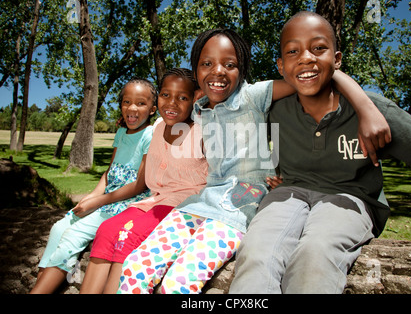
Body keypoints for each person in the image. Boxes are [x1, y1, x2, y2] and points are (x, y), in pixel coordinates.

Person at [117, 28, 392, 294]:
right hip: (202, 202)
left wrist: (365, 106)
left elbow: (308, 78)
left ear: (243, 70)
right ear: (196, 70)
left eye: (230, 64)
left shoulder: (254, 95)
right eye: (207, 64)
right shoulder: (200, 107)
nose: (218, 71)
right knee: (134, 268)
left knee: (177, 283)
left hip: (239, 209)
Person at [229, 11, 411, 294]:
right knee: (257, 250)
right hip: (290, 194)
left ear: (337, 58)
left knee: (316, 251)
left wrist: (364, 106)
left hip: (350, 198)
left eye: (318, 48)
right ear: (281, 66)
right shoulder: (277, 110)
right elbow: (241, 136)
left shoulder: (371, 110)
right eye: (293, 51)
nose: (306, 57)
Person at [79, 68, 208, 294]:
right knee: (108, 229)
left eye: (183, 97)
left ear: (196, 98)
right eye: (166, 95)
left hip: (184, 206)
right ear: (157, 97)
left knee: (128, 236)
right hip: (154, 200)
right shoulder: (157, 126)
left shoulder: (203, 131)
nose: (172, 103)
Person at [30, 78, 157, 294]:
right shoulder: (121, 133)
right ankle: (42, 286)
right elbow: (110, 172)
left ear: (153, 109)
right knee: (59, 227)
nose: (132, 108)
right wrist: (91, 197)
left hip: (125, 204)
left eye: (141, 103)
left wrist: (99, 201)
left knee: (73, 235)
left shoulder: (149, 134)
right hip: (106, 199)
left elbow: (139, 185)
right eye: (126, 102)